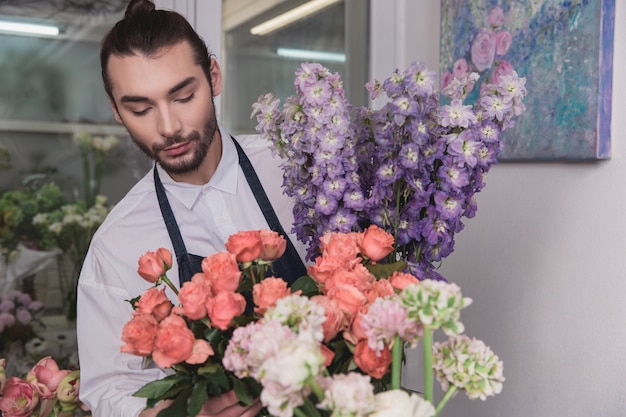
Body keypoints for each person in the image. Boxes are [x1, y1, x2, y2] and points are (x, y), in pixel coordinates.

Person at [75, 1, 308, 416]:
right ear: (116, 111)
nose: (168, 127)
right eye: (141, 109)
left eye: (183, 96)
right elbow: (106, 387)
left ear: (213, 77)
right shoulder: (117, 245)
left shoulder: (293, 171)